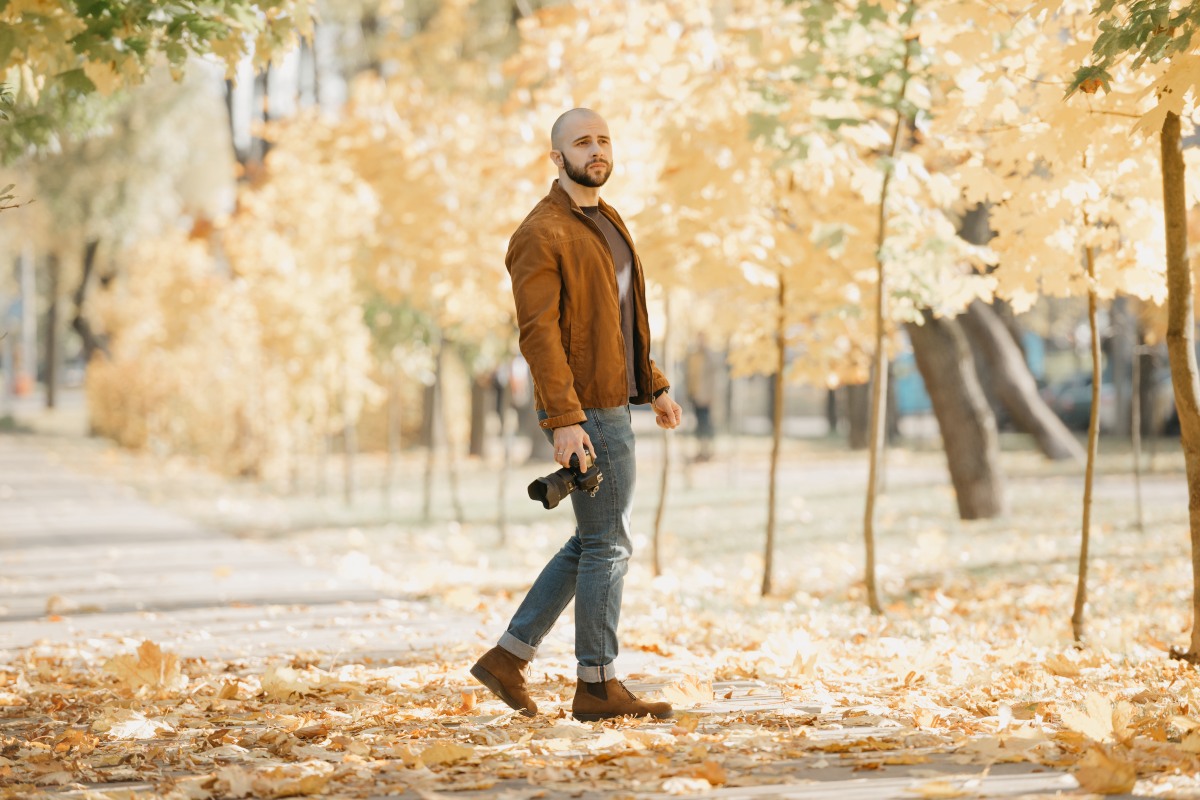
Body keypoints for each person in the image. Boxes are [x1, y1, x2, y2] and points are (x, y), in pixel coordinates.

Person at [470, 108, 683, 721]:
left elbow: (619, 321)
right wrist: (564, 418)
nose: (596, 150)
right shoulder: (541, 233)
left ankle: (509, 658)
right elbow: (539, 335)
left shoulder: (607, 221)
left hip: (613, 399)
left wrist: (654, 384)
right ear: (556, 157)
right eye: (581, 142)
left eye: (603, 139)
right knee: (608, 544)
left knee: (595, 539)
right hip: (585, 409)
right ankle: (596, 684)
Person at [685, 333, 717, 462]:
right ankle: (700, 451)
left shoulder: (710, 357)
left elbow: (713, 380)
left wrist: (711, 395)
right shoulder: (693, 356)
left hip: (706, 397)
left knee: (706, 424)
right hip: (695, 395)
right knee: (698, 424)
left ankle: (707, 451)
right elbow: (690, 376)